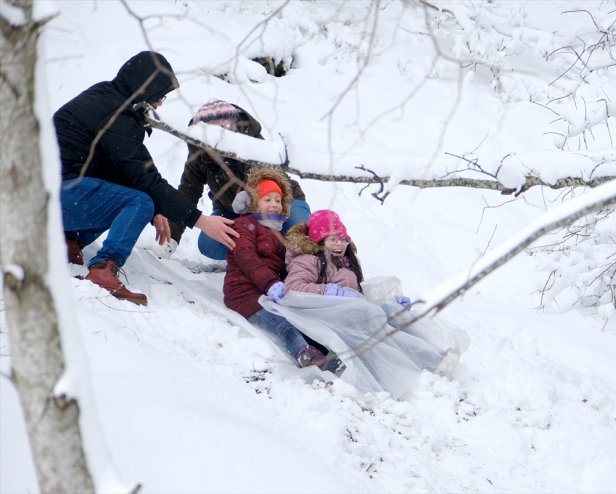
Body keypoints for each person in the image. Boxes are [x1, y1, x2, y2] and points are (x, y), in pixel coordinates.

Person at [54, 51, 239, 306]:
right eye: (159, 96)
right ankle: (103, 270)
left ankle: (67, 242)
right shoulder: (115, 115)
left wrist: (155, 209)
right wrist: (201, 221)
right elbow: (145, 179)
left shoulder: (107, 99)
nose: (160, 104)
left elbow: (122, 172)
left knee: (133, 200)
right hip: (53, 195)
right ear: (145, 89)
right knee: (138, 202)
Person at [259, 209, 463, 398]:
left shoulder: (346, 264)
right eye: (333, 239)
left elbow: (355, 295)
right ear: (319, 240)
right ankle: (429, 362)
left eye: (343, 239)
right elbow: (293, 288)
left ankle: (433, 357)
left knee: (394, 313)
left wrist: (387, 301)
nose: (339, 244)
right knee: (378, 321)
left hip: (351, 314)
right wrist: (329, 291)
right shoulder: (307, 260)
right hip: (327, 316)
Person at [222, 168, 344, 374]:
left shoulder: (277, 232)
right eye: (267, 199)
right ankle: (305, 354)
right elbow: (247, 258)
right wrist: (271, 284)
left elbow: (284, 267)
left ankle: (326, 350)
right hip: (242, 293)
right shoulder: (243, 225)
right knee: (283, 324)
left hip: (266, 291)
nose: (274, 204)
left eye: (278, 200)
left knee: (300, 318)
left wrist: (295, 285)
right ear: (253, 202)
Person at [165, 99, 310, 261]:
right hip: (232, 211)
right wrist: (171, 239)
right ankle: (254, 257)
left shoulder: (251, 145)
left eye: (226, 130)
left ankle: (290, 258)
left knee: (299, 231)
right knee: (209, 243)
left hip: (281, 204)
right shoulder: (199, 155)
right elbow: (187, 193)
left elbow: (265, 181)